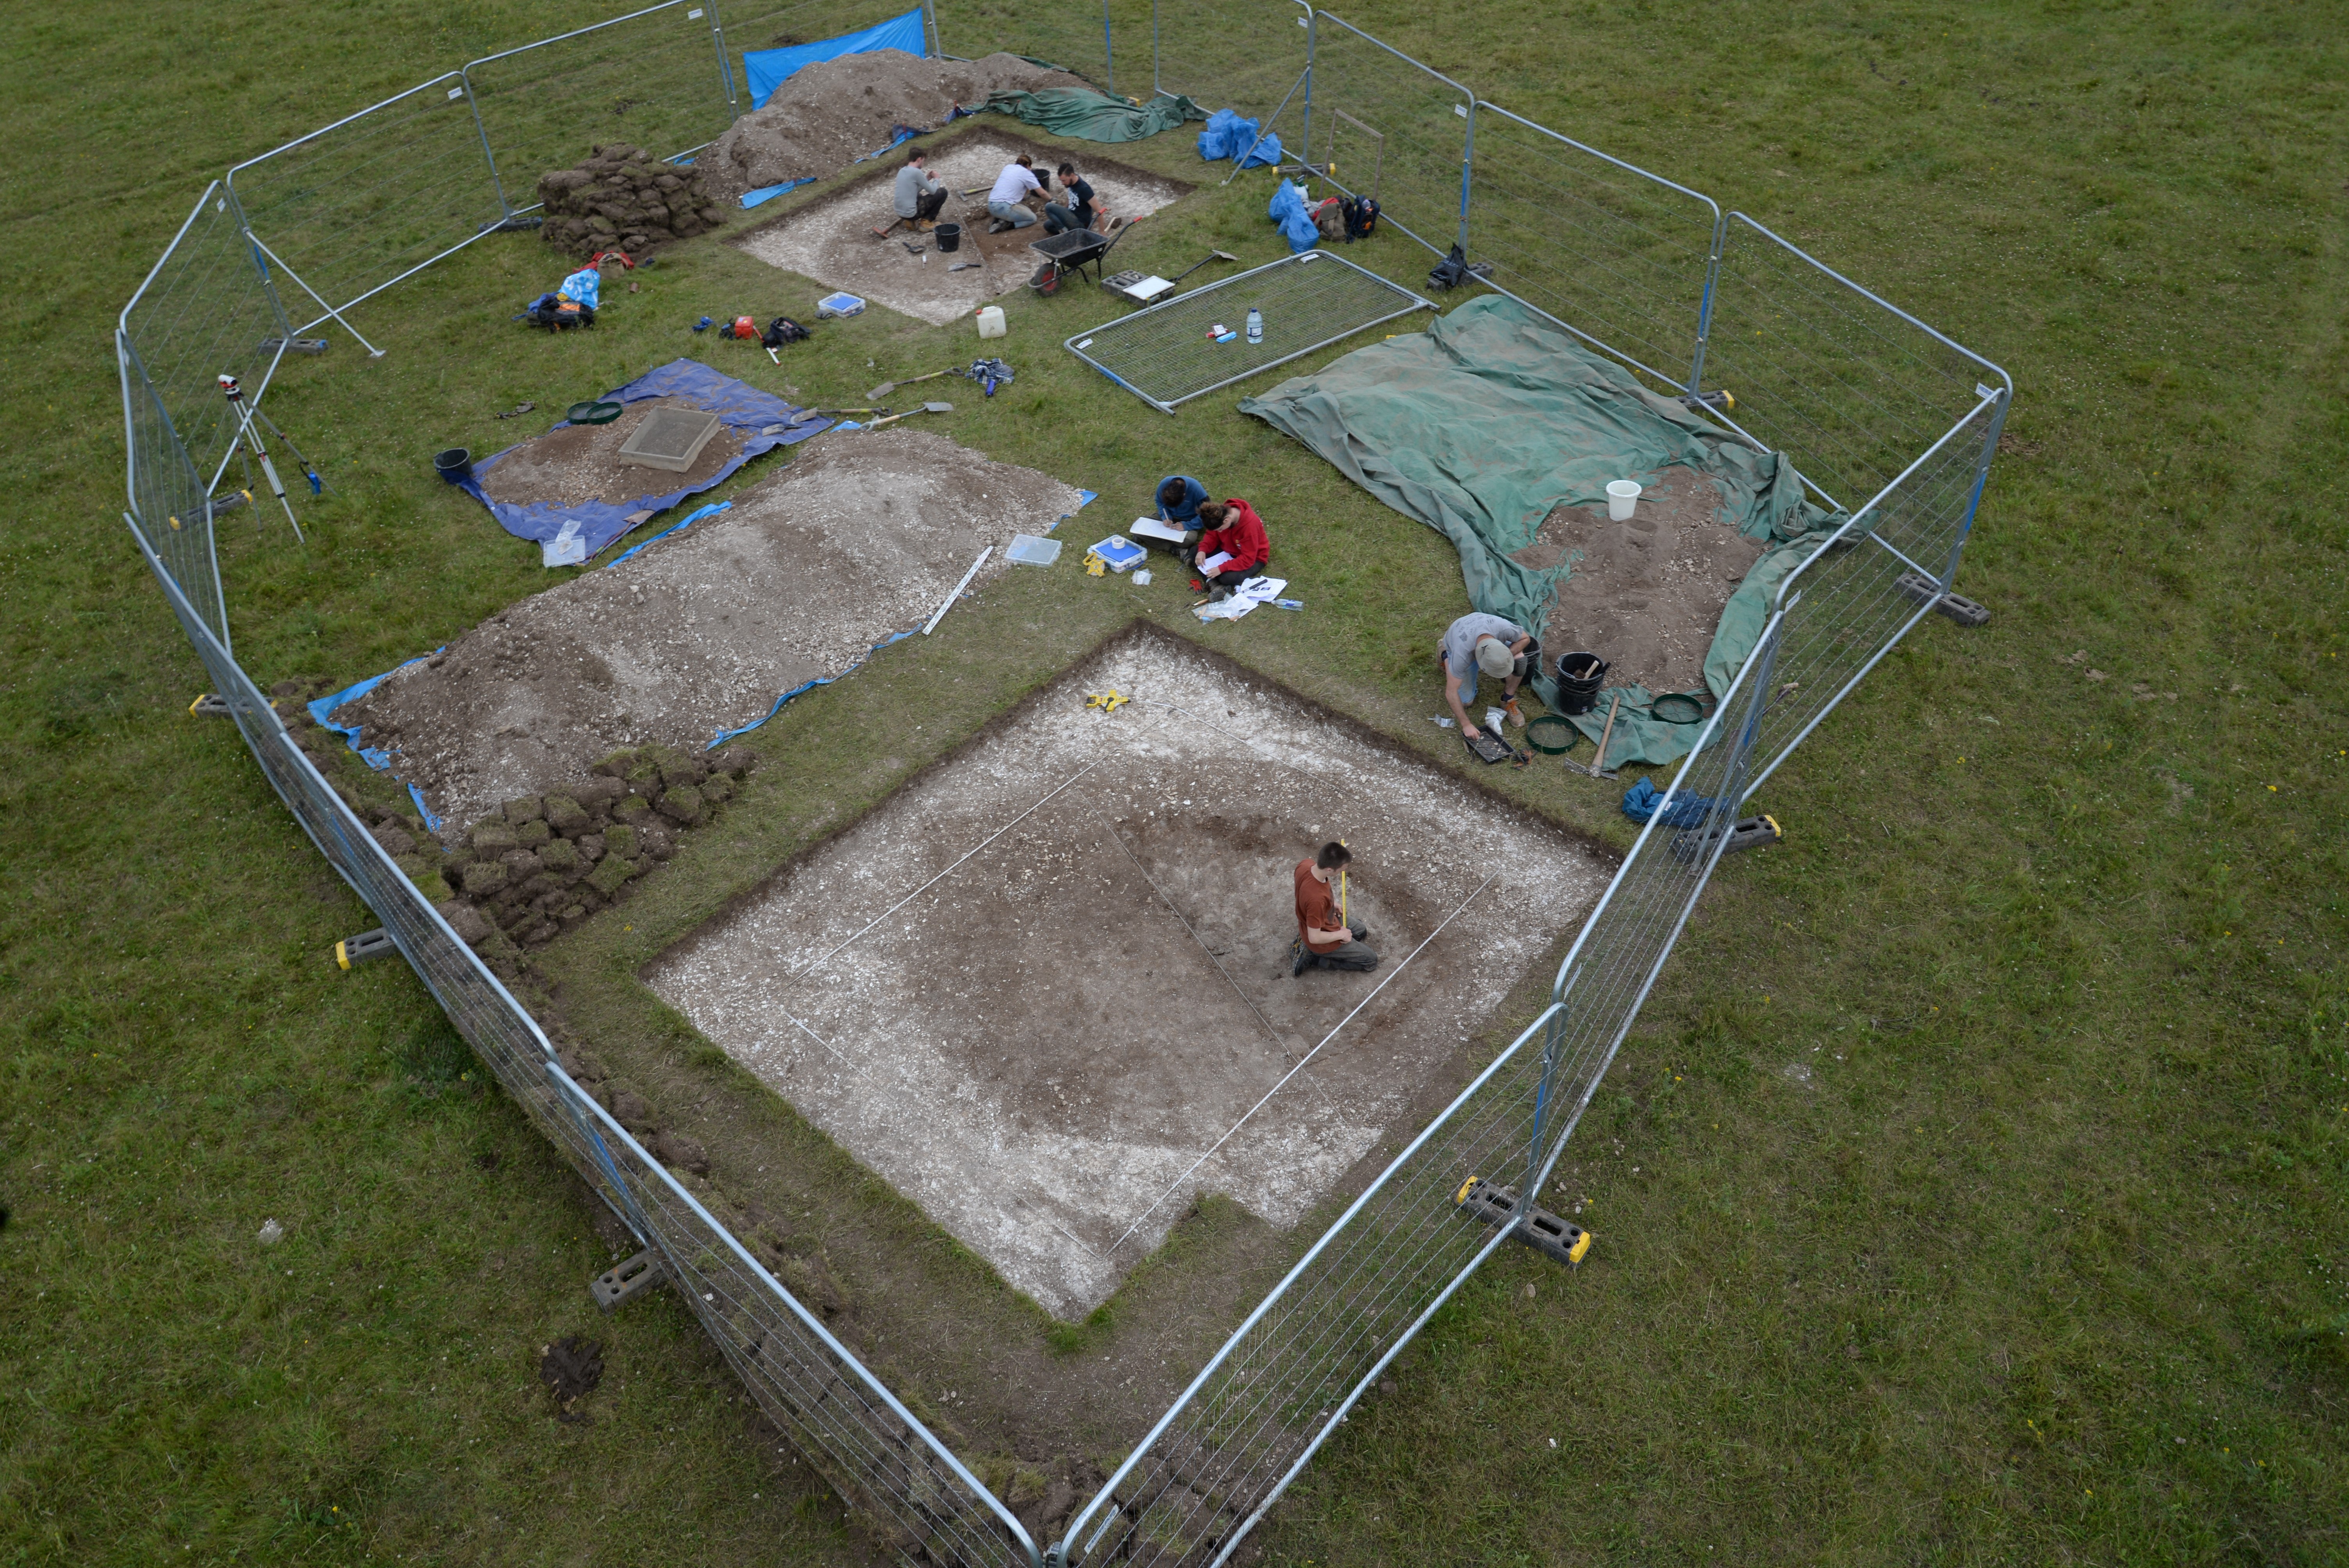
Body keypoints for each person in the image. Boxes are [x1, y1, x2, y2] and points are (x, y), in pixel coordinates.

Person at [1438, 612, 1538, 740]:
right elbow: (1451, 693)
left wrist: (1507, 655)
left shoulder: (1504, 628)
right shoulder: (1462, 655)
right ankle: (1445, 653)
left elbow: (1526, 639)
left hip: (1485, 633)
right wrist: (1466, 725)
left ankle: (1507, 699)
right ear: (1481, 663)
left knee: (1520, 660)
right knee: (1466, 702)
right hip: (1458, 637)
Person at [1292, 842, 1378, 974]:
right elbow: (1315, 938)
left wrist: (1331, 904)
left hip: (1323, 917)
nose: (1344, 871)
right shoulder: (1316, 900)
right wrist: (1341, 934)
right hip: (1319, 940)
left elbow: (1308, 894)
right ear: (1329, 870)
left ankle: (1331, 948)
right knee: (1371, 960)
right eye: (1342, 869)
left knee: (1360, 931)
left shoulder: (1306, 864)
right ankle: (1316, 959)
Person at [1187, 498, 1269, 600]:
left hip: (1254, 558)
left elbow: (1248, 558)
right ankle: (1214, 584)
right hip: (1228, 550)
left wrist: (1222, 568)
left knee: (1226, 578)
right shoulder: (1219, 516)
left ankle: (1214, 581)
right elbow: (1212, 536)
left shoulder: (1250, 526)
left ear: (1227, 521)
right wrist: (1202, 550)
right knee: (1195, 551)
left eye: (1220, 529)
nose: (1220, 532)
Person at [986, 155, 1043, 232]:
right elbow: (1042, 193)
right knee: (1032, 219)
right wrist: (1051, 199)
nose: (1030, 169)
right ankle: (1006, 225)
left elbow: (1022, 195)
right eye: (1030, 166)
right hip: (1003, 208)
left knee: (1028, 210)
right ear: (1028, 165)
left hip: (991, 205)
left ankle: (1001, 218)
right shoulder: (1026, 173)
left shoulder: (1008, 167)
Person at [893, 150, 948, 229]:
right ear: (919, 160)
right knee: (943, 193)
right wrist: (937, 179)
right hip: (912, 214)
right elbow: (933, 191)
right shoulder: (916, 172)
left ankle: (910, 223)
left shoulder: (902, 171)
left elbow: (913, 191)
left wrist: (927, 179)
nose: (923, 163)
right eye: (923, 161)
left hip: (900, 213)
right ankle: (926, 223)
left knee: (918, 196)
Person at [1043, 162, 1099, 235]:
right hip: (1072, 216)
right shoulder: (1072, 182)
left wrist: (1102, 231)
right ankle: (1071, 234)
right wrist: (1063, 212)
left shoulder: (1084, 189)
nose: (1062, 183)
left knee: (1049, 207)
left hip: (1080, 224)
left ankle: (1065, 232)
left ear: (1072, 175)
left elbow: (1099, 210)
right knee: (1048, 226)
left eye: (1064, 180)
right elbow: (1071, 198)